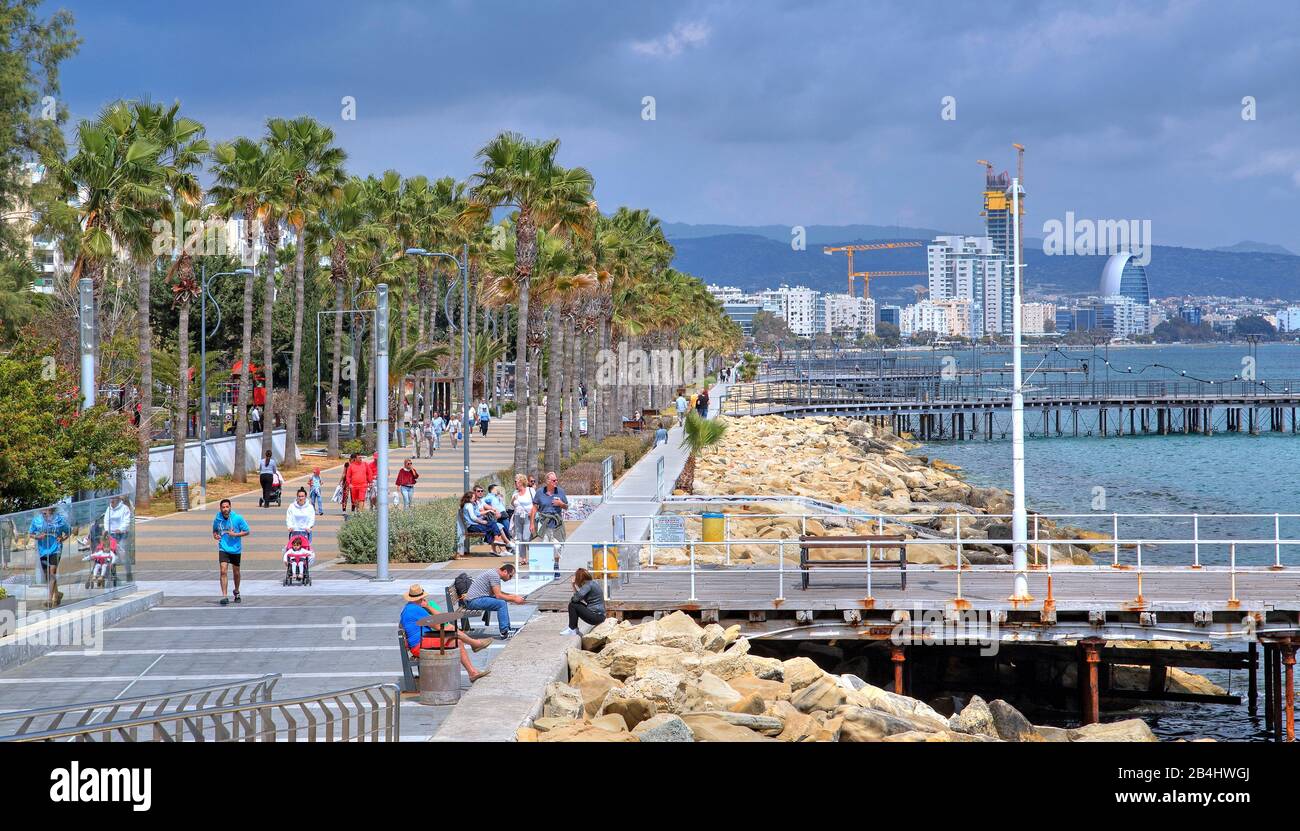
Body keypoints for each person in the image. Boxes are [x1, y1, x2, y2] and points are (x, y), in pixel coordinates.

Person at [400, 584, 490, 681]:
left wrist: (428, 607)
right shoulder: (416, 609)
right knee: (450, 628)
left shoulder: (409, 607)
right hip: (420, 646)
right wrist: (429, 608)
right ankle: (475, 643)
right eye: (423, 598)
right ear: (420, 599)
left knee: (457, 642)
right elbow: (439, 626)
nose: (424, 599)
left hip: (423, 642)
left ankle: (472, 673)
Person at [463, 564, 526, 640]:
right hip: (474, 601)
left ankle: (507, 629)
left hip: (475, 599)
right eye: (510, 576)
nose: (510, 579)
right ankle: (504, 632)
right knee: (501, 603)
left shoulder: (494, 573)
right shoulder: (494, 576)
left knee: (502, 602)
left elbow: (497, 592)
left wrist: (513, 596)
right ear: (505, 571)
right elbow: (498, 595)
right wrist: (514, 599)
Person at [29, 506, 69, 607]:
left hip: (56, 549)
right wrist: (37, 536)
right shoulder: (36, 520)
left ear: (52, 511)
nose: (46, 513)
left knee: (52, 572)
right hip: (43, 551)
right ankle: (57, 594)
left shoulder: (59, 520)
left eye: (48, 511)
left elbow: (68, 531)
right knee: (48, 575)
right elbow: (31, 534)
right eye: (44, 511)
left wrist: (62, 538)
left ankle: (49, 599)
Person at [212, 498, 249, 605]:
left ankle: (236, 591)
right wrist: (215, 535)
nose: (225, 509)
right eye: (223, 507)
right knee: (223, 571)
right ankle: (224, 596)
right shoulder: (217, 519)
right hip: (223, 548)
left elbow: (247, 531)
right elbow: (214, 531)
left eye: (227, 507)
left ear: (230, 507)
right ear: (220, 508)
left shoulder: (237, 518)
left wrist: (236, 535)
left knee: (236, 572)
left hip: (235, 549)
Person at [531, 470, 568, 575]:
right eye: (553, 480)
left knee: (557, 546)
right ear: (547, 481)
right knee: (544, 546)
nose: (556, 482)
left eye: (556, 480)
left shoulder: (560, 492)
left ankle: (556, 565)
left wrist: (560, 503)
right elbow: (534, 508)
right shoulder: (539, 492)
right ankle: (546, 570)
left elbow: (566, 507)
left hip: (557, 524)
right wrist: (532, 523)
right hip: (543, 524)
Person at [460, 488, 511, 555]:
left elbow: (477, 514)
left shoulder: (468, 505)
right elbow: (473, 517)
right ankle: (501, 545)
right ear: (469, 499)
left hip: (473, 525)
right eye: (473, 497)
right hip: (472, 527)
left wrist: (488, 511)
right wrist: (482, 522)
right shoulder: (469, 505)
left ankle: (496, 547)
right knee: (493, 525)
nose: (474, 499)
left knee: (492, 525)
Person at [560, 567, 606, 635]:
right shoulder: (591, 583)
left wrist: (573, 585)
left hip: (596, 616)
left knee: (572, 605)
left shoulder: (587, 585)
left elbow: (575, 599)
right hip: (599, 616)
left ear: (579, 578)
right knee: (574, 604)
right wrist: (574, 585)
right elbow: (578, 597)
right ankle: (573, 628)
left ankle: (572, 629)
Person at [510, 474, 534, 542]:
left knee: (526, 538)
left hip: (528, 516)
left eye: (516, 481)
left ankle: (530, 552)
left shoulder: (530, 490)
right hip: (517, 516)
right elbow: (512, 505)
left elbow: (536, 504)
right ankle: (521, 553)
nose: (515, 483)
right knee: (519, 539)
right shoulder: (515, 492)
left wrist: (532, 512)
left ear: (521, 482)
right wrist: (513, 500)